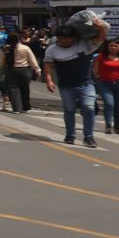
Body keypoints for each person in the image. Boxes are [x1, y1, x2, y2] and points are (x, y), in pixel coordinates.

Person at [42, 18, 107, 146]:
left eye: (67, 38)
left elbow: (101, 38)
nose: (63, 40)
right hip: (66, 85)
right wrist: (49, 80)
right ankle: (70, 135)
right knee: (69, 109)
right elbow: (48, 64)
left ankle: (89, 136)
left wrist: (100, 27)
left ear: (73, 38)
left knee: (89, 108)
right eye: (61, 38)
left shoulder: (84, 45)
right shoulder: (52, 49)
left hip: (86, 83)